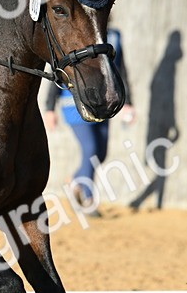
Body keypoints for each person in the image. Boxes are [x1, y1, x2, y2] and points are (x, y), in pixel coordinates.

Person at [42, 26, 133, 215]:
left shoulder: (114, 36)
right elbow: (58, 68)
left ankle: (75, 180)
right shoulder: (74, 30)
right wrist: (50, 107)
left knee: (101, 153)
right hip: (74, 103)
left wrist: (127, 102)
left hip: (104, 102)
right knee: (90, 149)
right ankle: (88, 199)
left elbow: (120, 70)